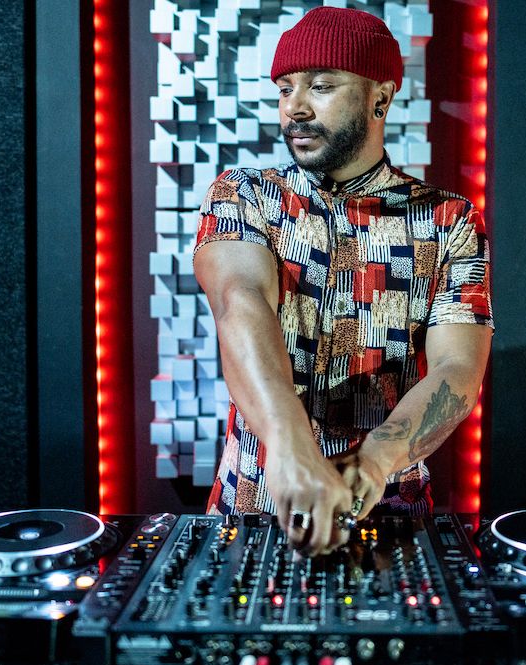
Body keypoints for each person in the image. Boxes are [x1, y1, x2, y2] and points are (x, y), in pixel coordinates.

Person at [193, 6, 492, 556]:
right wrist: (291, 448)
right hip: (252, 513)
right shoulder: (244, 194)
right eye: (286, 89)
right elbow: (241, 302)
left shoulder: (450, 218)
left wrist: (373, 462)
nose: (295, 108)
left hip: (392, 515)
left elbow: (457, 369)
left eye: (321, 85)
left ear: (381, 97)